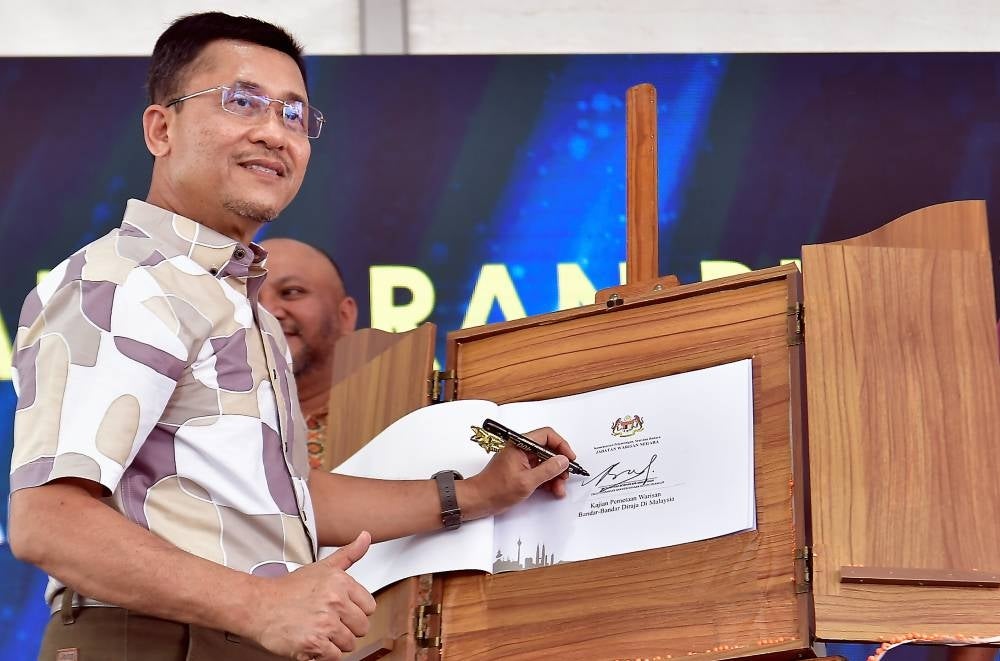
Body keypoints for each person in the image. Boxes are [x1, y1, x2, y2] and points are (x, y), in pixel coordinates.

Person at [6, 12, 576, 661]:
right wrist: (258, 603)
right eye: (242, 102)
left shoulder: (233, 298)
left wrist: (476, 492)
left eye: (294, 115)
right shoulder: (121, 278)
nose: (274, 133)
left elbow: (294, 497)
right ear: (161, 128)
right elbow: (47, 520)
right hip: (158, 638)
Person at [258, 238, 357, 470]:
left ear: (344, 316)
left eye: (291, 292)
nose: (267, 312)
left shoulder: (394, 418)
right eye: (249, 296)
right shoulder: (195, 421)